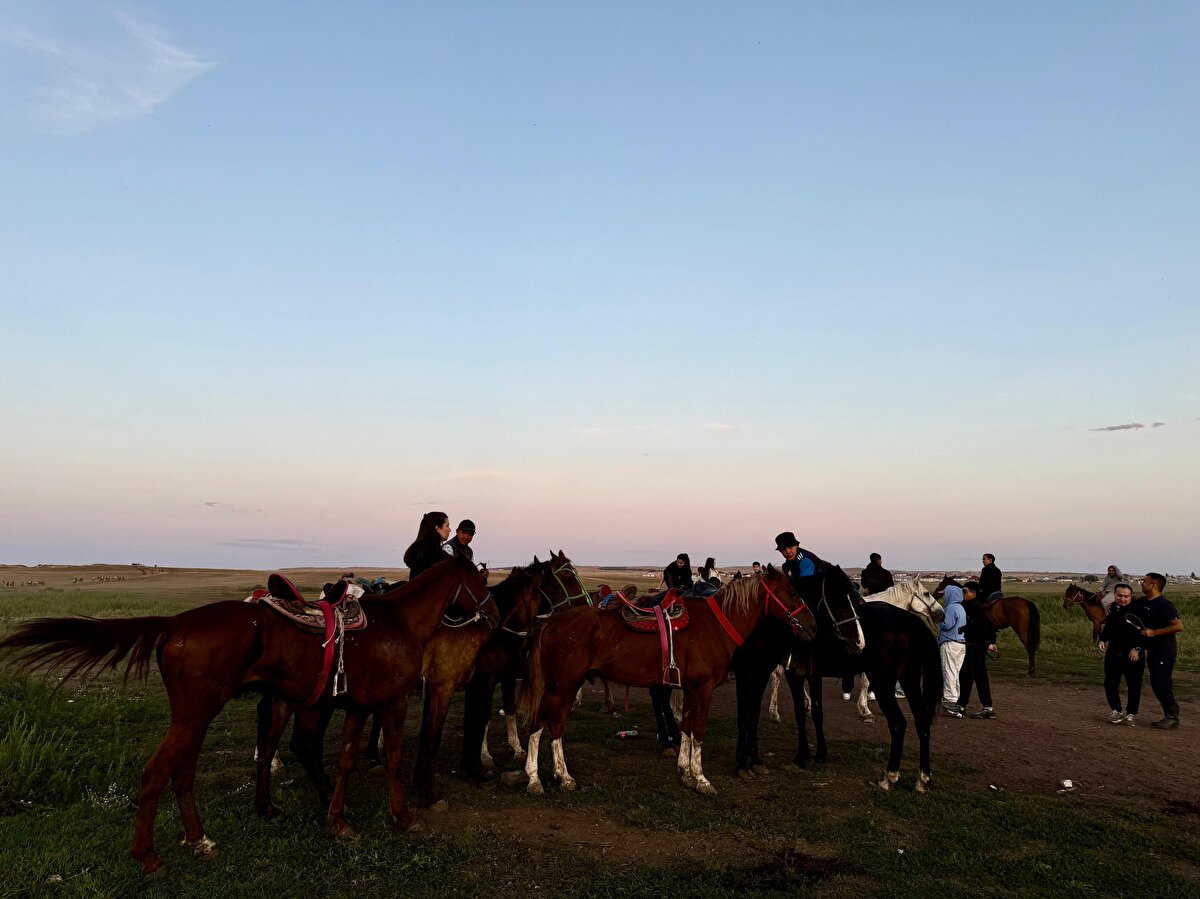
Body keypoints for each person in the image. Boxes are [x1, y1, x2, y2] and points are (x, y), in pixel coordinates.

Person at [1133, 573, 1184, 729]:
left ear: (1154, 585)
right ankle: (1170, 714)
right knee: (1156, 682)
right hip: (1152, 649)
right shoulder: (1142, 602)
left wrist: (1154, 632)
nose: (1141, 583)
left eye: (1144, 581)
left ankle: (1172, 716)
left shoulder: (1164, 605)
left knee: (1161, 682)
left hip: (1164, 650)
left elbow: (1178, 626)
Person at [946, 581, 997, 719]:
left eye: (965, 591)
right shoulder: (975, 606)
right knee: (980, 677)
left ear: (973, 593)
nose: (963, 594)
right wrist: (992, 641)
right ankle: (988, 708)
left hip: (974, 646)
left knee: (966, 675)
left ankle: (961, 706)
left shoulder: (974, 607)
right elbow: (990, 625)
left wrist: (963, 629)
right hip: (978, 646)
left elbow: (982, 627)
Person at [1097, 582, 1144, 726]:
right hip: (1113, 653)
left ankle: (1131, 714)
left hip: (1133, 654)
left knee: (1134, 685)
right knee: (1110, 683)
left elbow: (1144, 632)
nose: (1122, 599)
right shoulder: (1112, 609)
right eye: (1119, 596)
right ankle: (1116, 710)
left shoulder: (1138, 610)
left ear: (1131, 596)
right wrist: (1103, 639)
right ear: (1115, 595)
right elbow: (1108, 626)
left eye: (1126, 596)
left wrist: (1137, 648)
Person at [938, 584, 968, 706]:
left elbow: (946, 625)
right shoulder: (960, 607)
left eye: (945, 594)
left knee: (948, 669)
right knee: (955, 670)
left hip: (950, 642)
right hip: (961, 643)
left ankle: (949, 696)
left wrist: (939, 619)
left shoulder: (950, 608)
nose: (944, 597)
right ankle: (956, 694)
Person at [403, 511, 451, 580]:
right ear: (437, 528)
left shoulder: (419, 550)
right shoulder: (433, 554)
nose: (449, 530)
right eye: (447, 526)